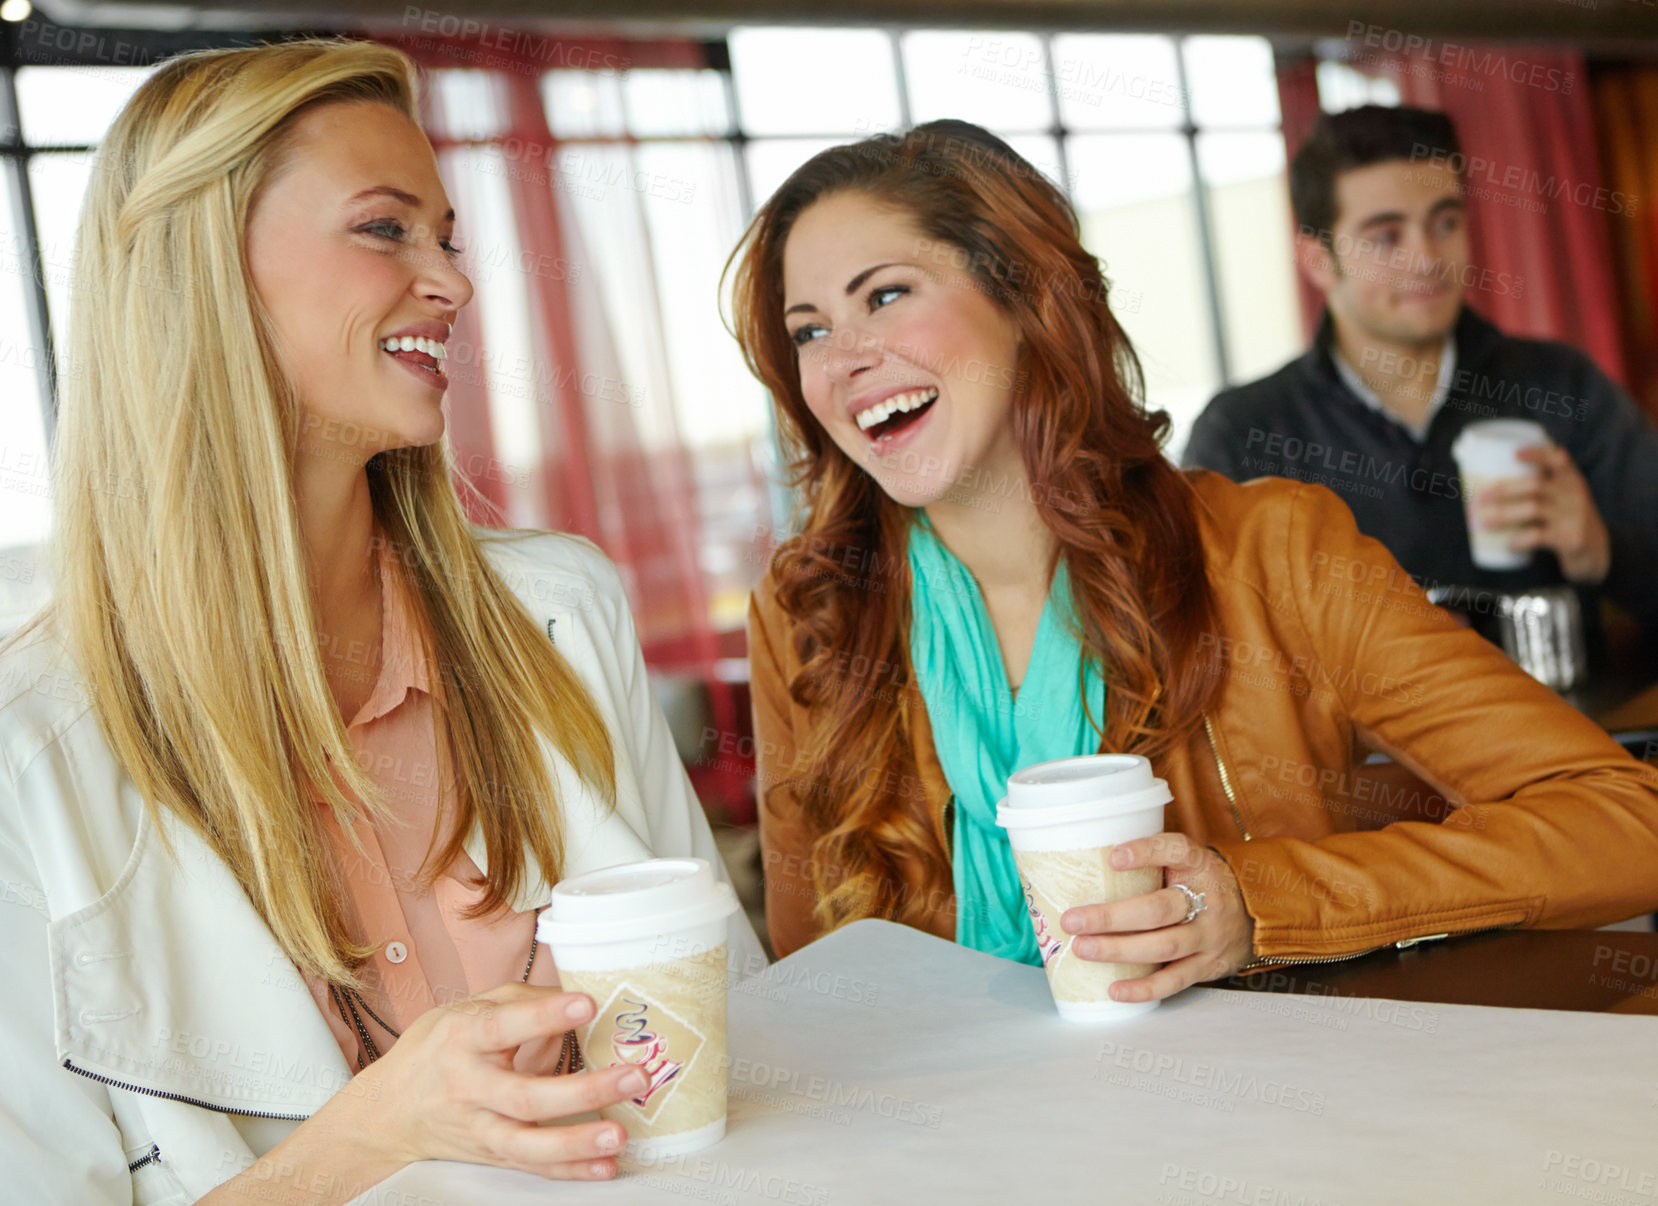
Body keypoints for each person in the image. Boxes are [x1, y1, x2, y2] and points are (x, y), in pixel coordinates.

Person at [0, 38, 762, 1206]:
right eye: (383, 229)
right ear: (201, 267)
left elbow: (734, 1023)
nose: (452, 283)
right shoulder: (28, 758)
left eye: (446, 237)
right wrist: (372, 1136)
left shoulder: (560, 609)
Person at [727, 120, 1658, 987]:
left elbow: (1625, 823)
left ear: (1025, 296)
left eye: (885, 296)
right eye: (809, 330)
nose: (843, 359)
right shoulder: (807, 611)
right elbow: (818, 975)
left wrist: (1261, 902)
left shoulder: (1274, 553)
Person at [1182, 104, 1658, 652]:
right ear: (1318, 261)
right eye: (1387, 236)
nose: (1429, 258)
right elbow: (1202, 650)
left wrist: (1601, 551)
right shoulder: (1245, 433)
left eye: (1445, 222)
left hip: (1565, 731)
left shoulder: (1560, 386)